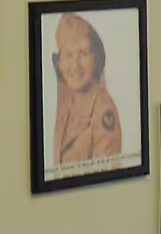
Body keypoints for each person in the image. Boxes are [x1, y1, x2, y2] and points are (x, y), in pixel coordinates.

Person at [52, 12, 122, 166]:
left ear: (96, 60)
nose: (75, 65)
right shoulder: (66, 99)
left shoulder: (104, 112)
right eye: (68, 54)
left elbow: (106, 180)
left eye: (83, 54)